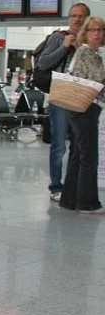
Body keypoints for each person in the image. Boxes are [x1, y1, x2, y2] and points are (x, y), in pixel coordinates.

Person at [38, 2, 90, 202]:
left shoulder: (90, 42)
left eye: (81, 16)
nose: (77, 19)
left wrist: (80, 49)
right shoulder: (58, 37)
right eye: (74, 15)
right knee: (59, 144)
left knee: (78, 145)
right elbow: (44, 63)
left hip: (81, 97)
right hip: (60, 95)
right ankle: (56, 187)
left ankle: (73, 184)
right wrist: (64, 47)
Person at [58, 15, 105, 214]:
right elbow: (97, 80)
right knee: (89, 157)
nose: (96, 33)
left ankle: (69, 200)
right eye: (92, 30)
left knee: (78, 154)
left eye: (100, 30)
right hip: (86, 107)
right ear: (85, 33)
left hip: (79, 109)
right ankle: (88, 203)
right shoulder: (88, 53)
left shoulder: (88, 52)